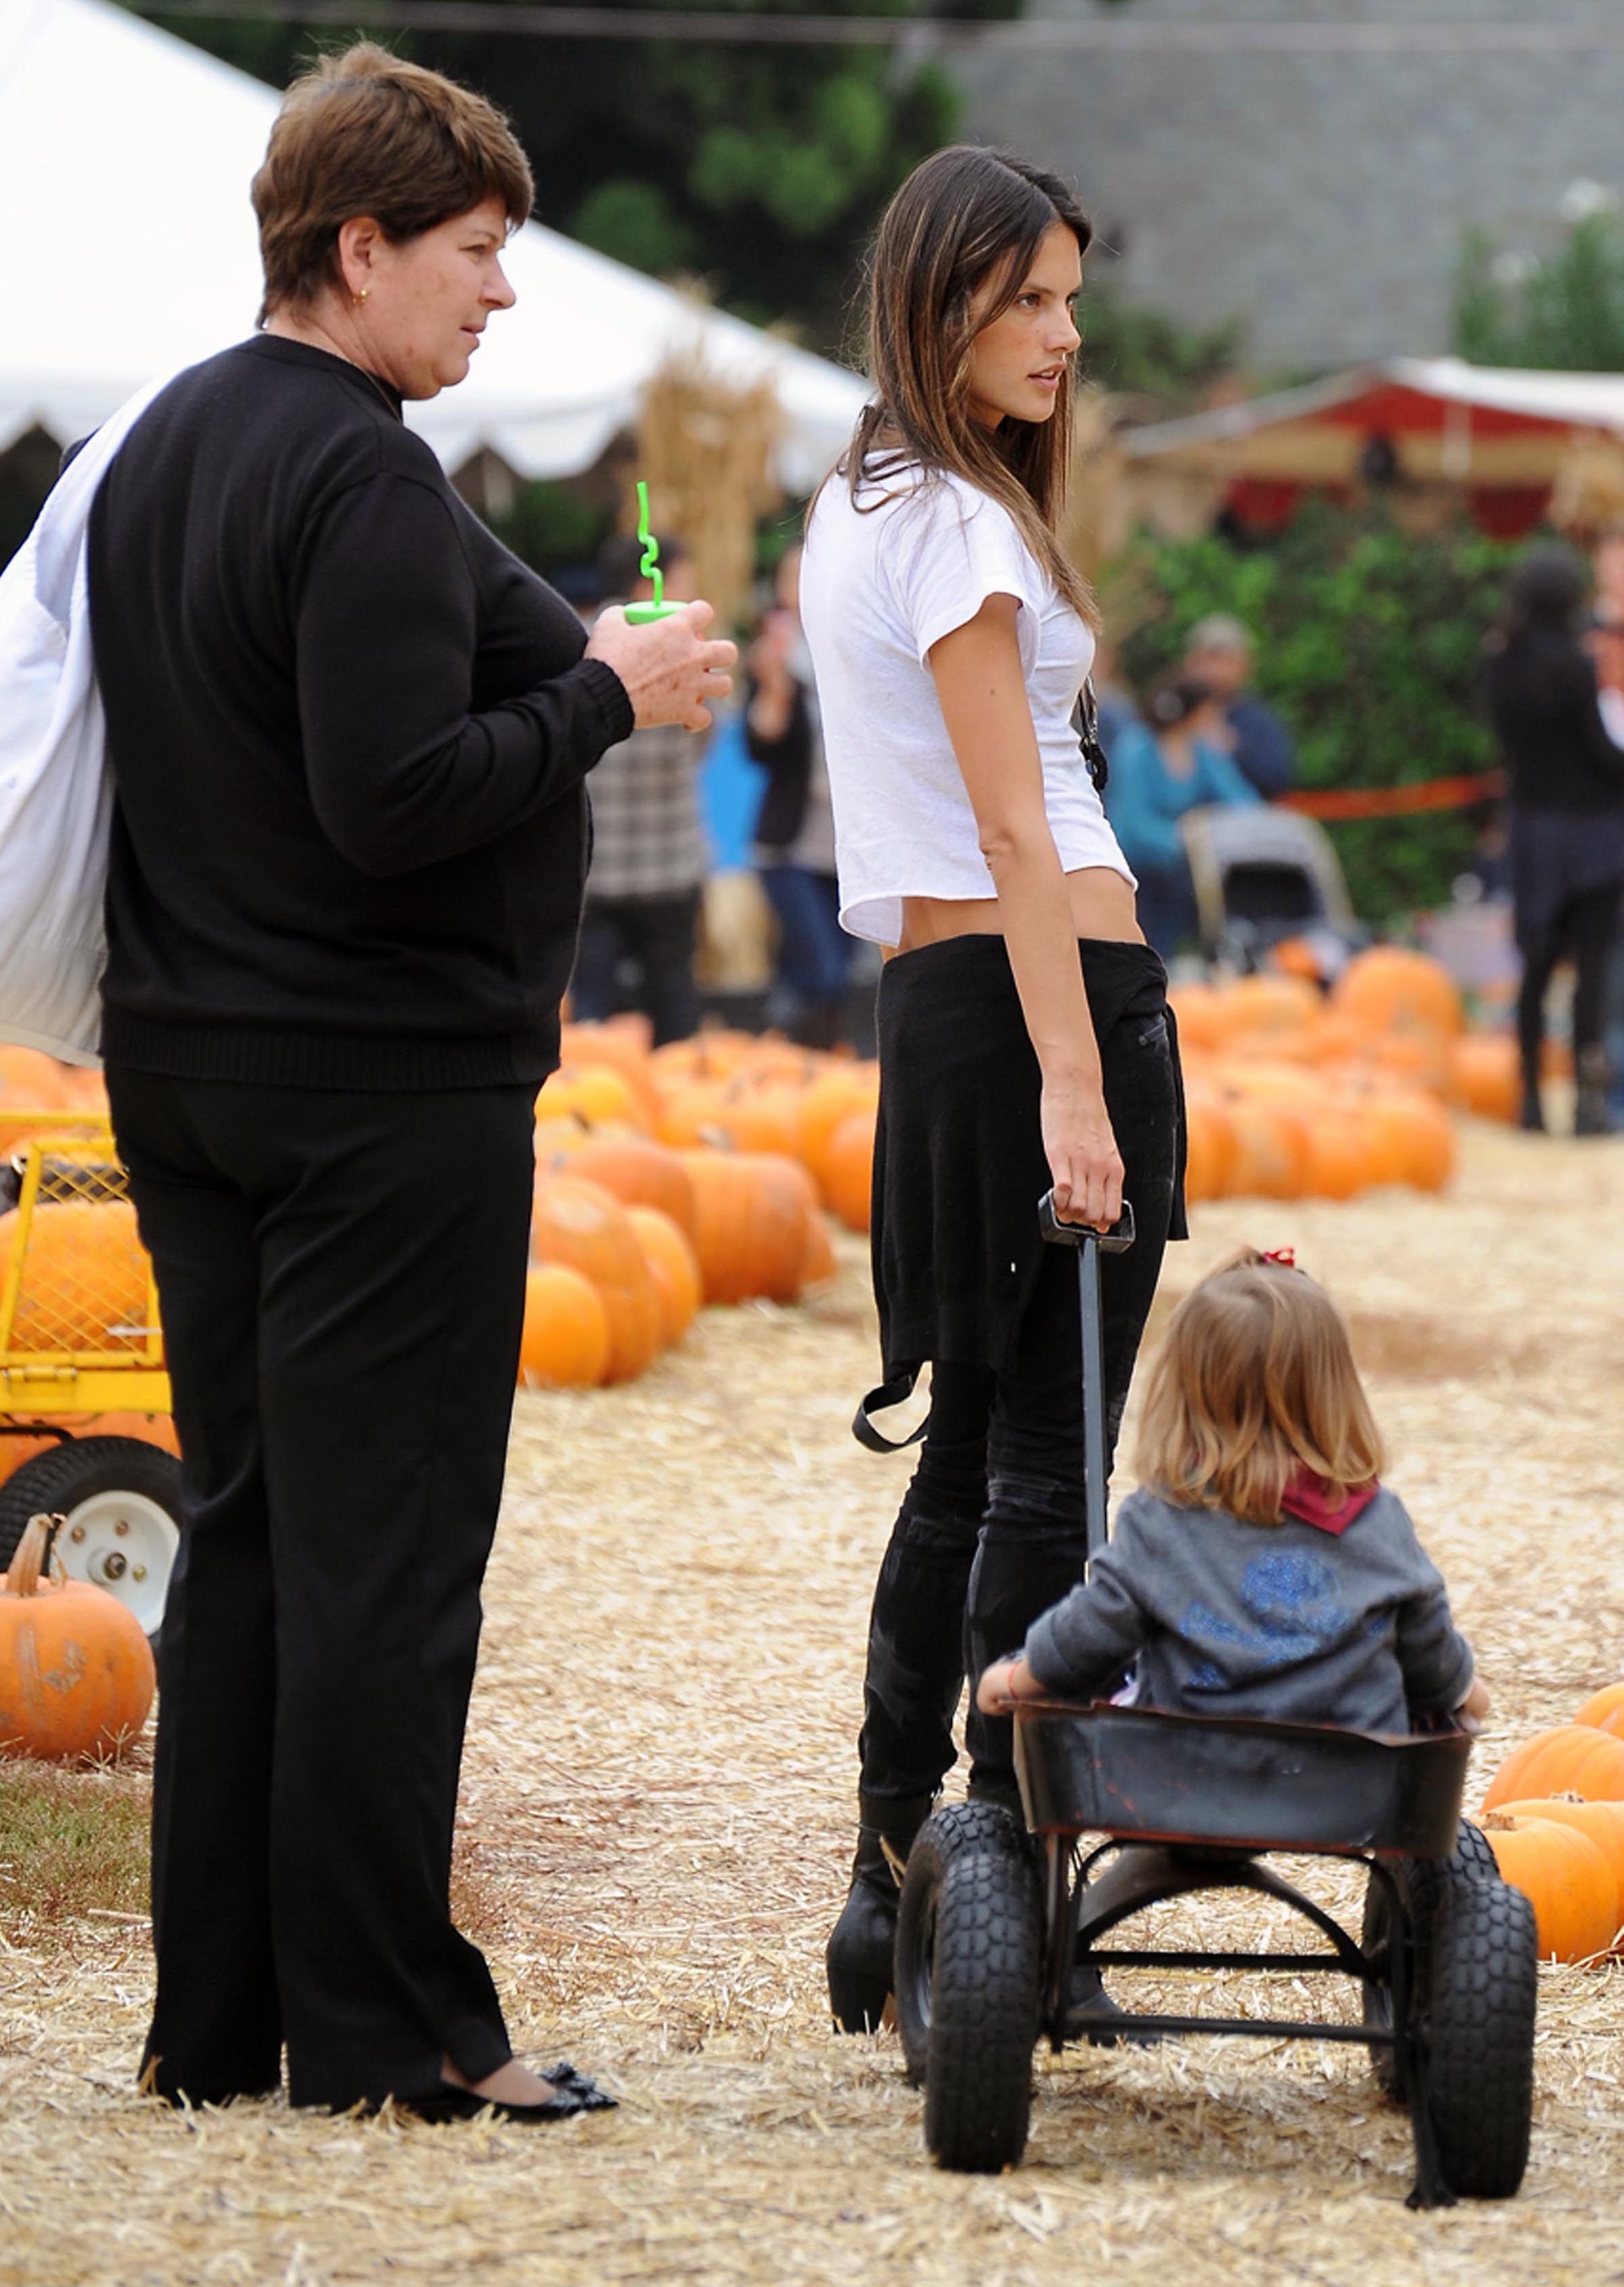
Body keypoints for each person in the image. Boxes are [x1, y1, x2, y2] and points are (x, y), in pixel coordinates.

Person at [83, 45, 733, 2119]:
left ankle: (219, 2022)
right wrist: (602, 695)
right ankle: (388, 2030)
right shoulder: (359, 469)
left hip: (186, 1060)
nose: (501, 294)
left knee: (256, 1540)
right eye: (471, 252)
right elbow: (395, 799)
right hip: (373, 1087)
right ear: (352, 248)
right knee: (383, 1563)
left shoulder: (166, 439)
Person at [798, 145, 1186, 2035]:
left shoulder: (856, 502)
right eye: (1027, 297)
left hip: (946, 1010)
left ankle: (897, 1883)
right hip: (1044, 1005)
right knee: (1052, 1464)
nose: (1064, 333)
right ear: (941, 295)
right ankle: (1000, 1883)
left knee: (971, 1454)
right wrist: (1080, 1087)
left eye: (1068, 298)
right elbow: (1018, 823)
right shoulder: (954, 520)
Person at [978, 1248, 1490, 1738]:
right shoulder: (1377, 1521)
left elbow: (1092, 1631)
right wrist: (1464, 1690)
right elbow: (1429, 1650)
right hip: (1352, 1797)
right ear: (1335, 1398)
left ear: (1185, 1398)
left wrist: (1020, 1677)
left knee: (1112, 1699)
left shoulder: (1162, 1519)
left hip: (1185, 1787)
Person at [1483, 546, 1624, 1135]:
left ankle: (1531, 1098)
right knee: (1592, 971)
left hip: (1533, 830)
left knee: (1535, 970)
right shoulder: (1573, 662)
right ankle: (1589, 1102)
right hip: (1591, 834)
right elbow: (1597, 749)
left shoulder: (1497, 661)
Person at [570, 533, 710, 1044]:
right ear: (648, 580)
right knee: (674, 1001)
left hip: (595, 867)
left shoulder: (575, 642)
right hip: (669, 865)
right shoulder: (683, 652)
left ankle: (591, 1116)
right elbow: (705, 735)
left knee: (593, 1011)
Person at [745, 545, 853, 1047]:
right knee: (822, 970)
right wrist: (774, 688)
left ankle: (807, 1069)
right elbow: (760, 744)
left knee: (831, 971)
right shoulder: (774, 659)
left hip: (846, 843)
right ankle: (792, 1072)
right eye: (792, 576)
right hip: (790, 843)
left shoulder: (851, 651)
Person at [1104, 675, 1260, 961]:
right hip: (1137, 867)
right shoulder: (1136, 749)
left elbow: (1237, 796)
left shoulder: (1200, 750)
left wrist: (1259, 826)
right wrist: (1188, 840)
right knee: (1149, 943)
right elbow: (1132, 821)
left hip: (1182, 865)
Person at [1180, 613, 1297, 800]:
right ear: (1189, 663)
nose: (1216, 670)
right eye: (1209, 659)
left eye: (1228, 661)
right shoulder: (1169, 716)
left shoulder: (1260, 724)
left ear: (1246, 666)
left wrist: (1234, 751)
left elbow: (1276, 780)